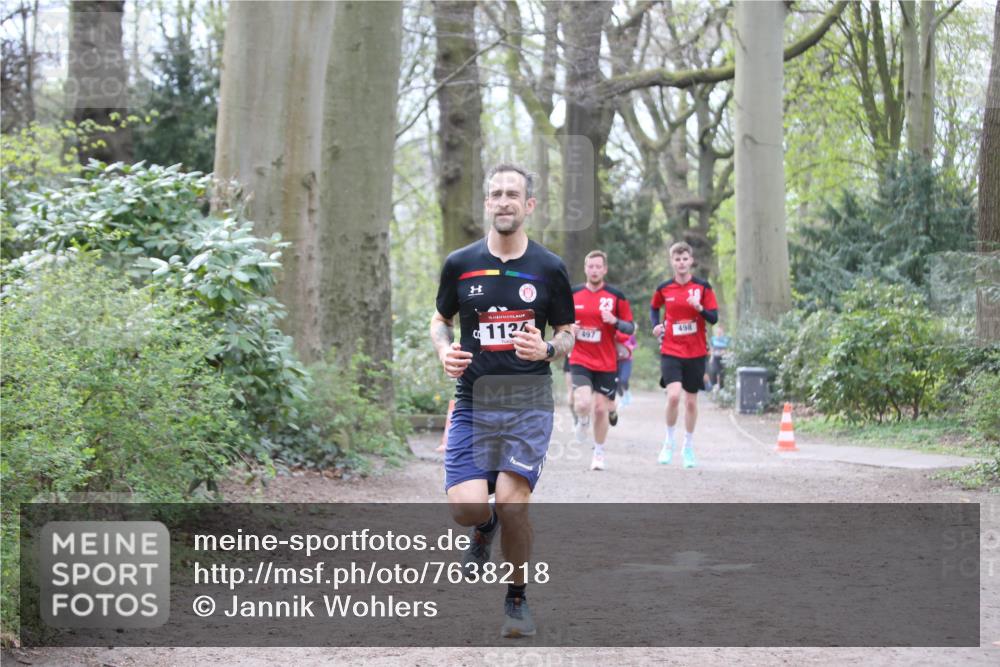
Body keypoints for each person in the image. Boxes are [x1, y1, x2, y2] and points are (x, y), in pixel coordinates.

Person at [431, 163, 575, 638]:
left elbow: (568, 332)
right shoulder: (460, 263)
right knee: (465, 508)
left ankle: (516, 599)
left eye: (513, 193)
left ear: (528, 205)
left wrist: (549, 350)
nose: (504, 201)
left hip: (527, 403)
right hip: (473, 402)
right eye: (496, 193)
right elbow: (439, 320)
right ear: (487, 204)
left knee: (516, 504)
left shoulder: (549, 268)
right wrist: (444, 350)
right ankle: (483, 526)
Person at [650, 241, 718, 468]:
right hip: (671, 349)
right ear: (672, 262)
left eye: (685, 259)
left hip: (696, 351)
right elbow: (654, 307)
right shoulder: (664, 288)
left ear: (691, 261)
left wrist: (699, 308)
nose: (681, 263)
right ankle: (668, 441)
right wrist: (656, 325)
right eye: (677, 259)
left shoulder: (702, 287)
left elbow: (714, 318)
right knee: (673, 396)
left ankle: (687, 445)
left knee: (690, 402)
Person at [568, 250, 635, 471]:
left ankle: (598, 452)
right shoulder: (573, 294)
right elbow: (561, 323)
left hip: (607, 362)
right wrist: (570, 328)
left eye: (599, 266)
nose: (594, 270)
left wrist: (615, 321)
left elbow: (630, 327)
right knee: (583, 403)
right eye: (591, 266)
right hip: (580, 358)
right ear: (585, 269)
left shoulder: (616, 296)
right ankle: (582, 420)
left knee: (601, 409)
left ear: (604, 270)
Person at [707, 324, 731, 396]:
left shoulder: (726, 339)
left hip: (723, 358)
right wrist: (711, 357)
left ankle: (721, 388)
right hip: (715, 357)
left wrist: (725, 352)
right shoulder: (713, 339)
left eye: (720, 332)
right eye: (718, 332)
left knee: (722, 373)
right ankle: (715, 387)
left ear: (723, 332)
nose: (719, 333)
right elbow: (711, 349)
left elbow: (728, 349)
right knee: (715, 371)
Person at [615, 331, 636, 407]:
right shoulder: (613, 333)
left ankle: (627, 393)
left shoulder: (630, 334)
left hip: (627, 360)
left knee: (623, 379)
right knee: (615, 381)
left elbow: (634, 344)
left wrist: (631, 347)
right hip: (615, 360)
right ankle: (622, 399)